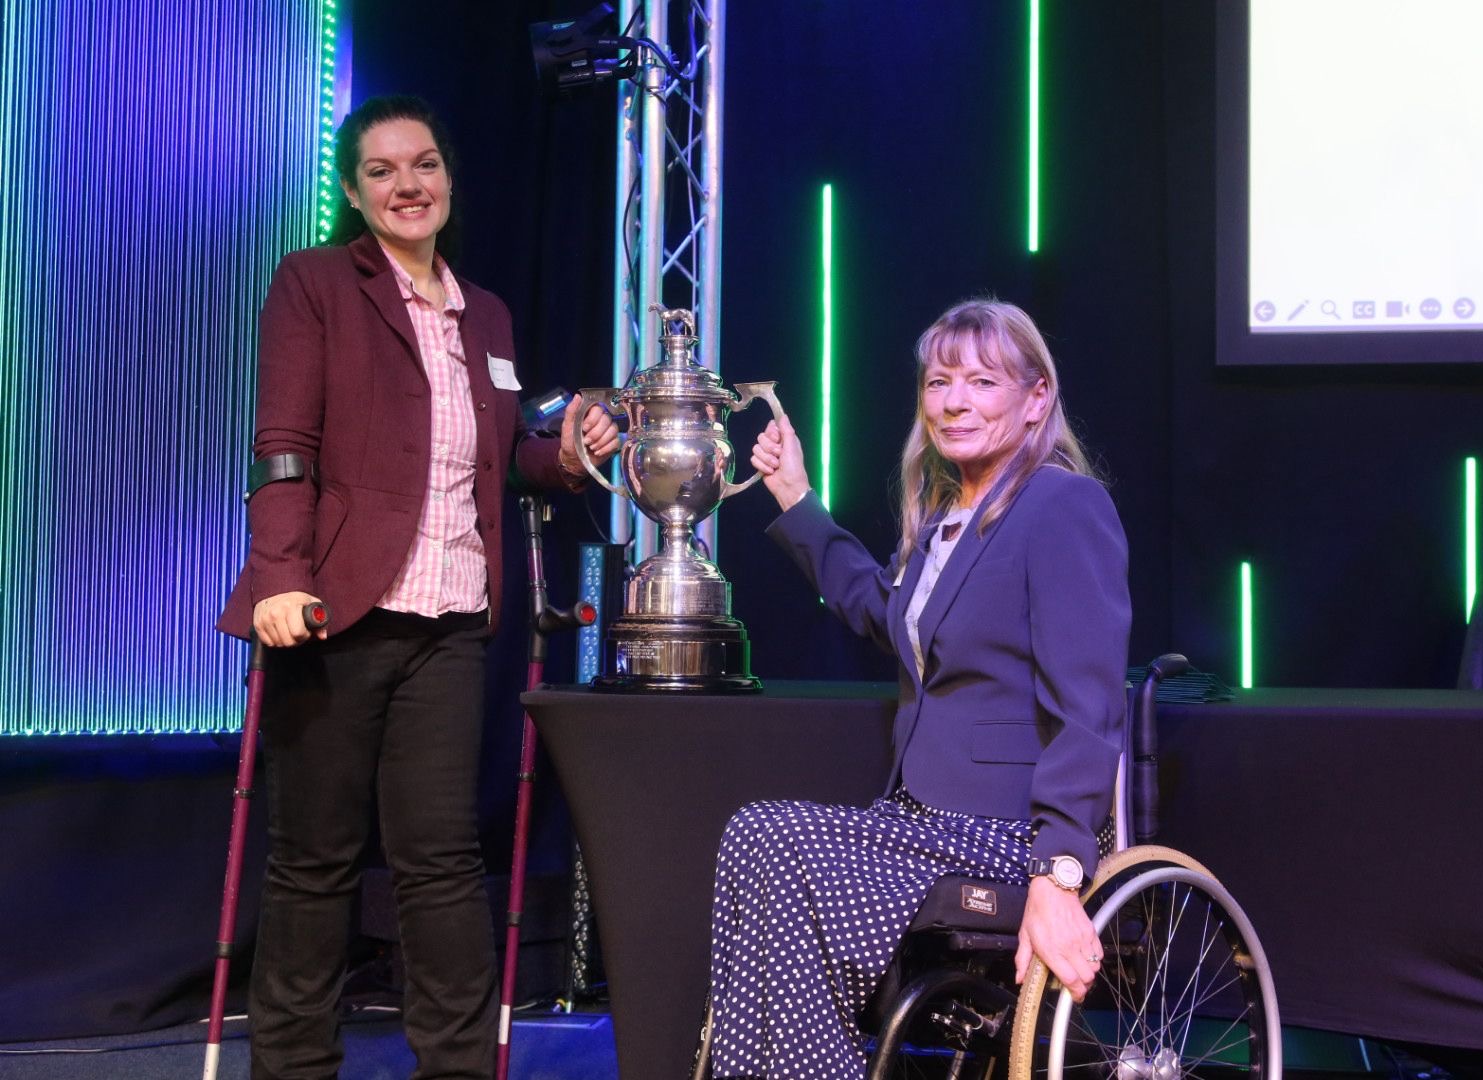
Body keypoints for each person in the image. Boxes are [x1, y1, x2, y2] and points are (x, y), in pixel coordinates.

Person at [215, 94, 618, 1079]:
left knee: (441, 860)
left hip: (450, 618)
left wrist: (561, 458)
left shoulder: (485, 312)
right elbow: (283, 448)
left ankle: (457, 1067)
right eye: (385, 171)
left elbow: (490, 458)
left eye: (425, 165)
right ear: (354, 192)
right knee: (315, 859)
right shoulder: (315, 285)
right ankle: (295, 1068)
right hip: (333, 612)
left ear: (448, 179)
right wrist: (278, 573)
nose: (409, 185)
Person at [706, 299, 1131, 1078]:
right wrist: (798, 502)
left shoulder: (1061, 505)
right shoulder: (945, 517)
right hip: (921, 819)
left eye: (981, 381)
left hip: (1009, 833)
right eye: (939, 382)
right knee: (756, 844)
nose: (954, 401)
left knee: (770, 835)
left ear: (1036, 397)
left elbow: (1090, 705)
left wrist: (1059, 873)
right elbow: (885, 613)